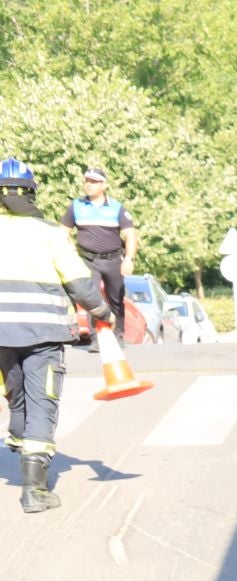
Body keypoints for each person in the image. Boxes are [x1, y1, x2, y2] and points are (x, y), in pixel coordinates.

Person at [1, 157, 114, 514]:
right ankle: (34, 490)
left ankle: (20, 444)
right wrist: (102, 312)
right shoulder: (51, 234)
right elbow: (80, 284)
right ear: (32, 193)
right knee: (42, 401)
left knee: (15, 392)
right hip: (43, 335)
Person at [59, 167, 136, 338]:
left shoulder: (117, 208)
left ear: (104, 185)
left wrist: (129, 259)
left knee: (116, 298)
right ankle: (95, 337)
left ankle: (118, 334)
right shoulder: (76, 207)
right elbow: (62, 232)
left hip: (113, 259)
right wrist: (68, 250)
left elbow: (130, 235)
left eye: (94, 182)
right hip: (88, 260)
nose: (89, 185)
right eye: (87, 181)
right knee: (90, 296)